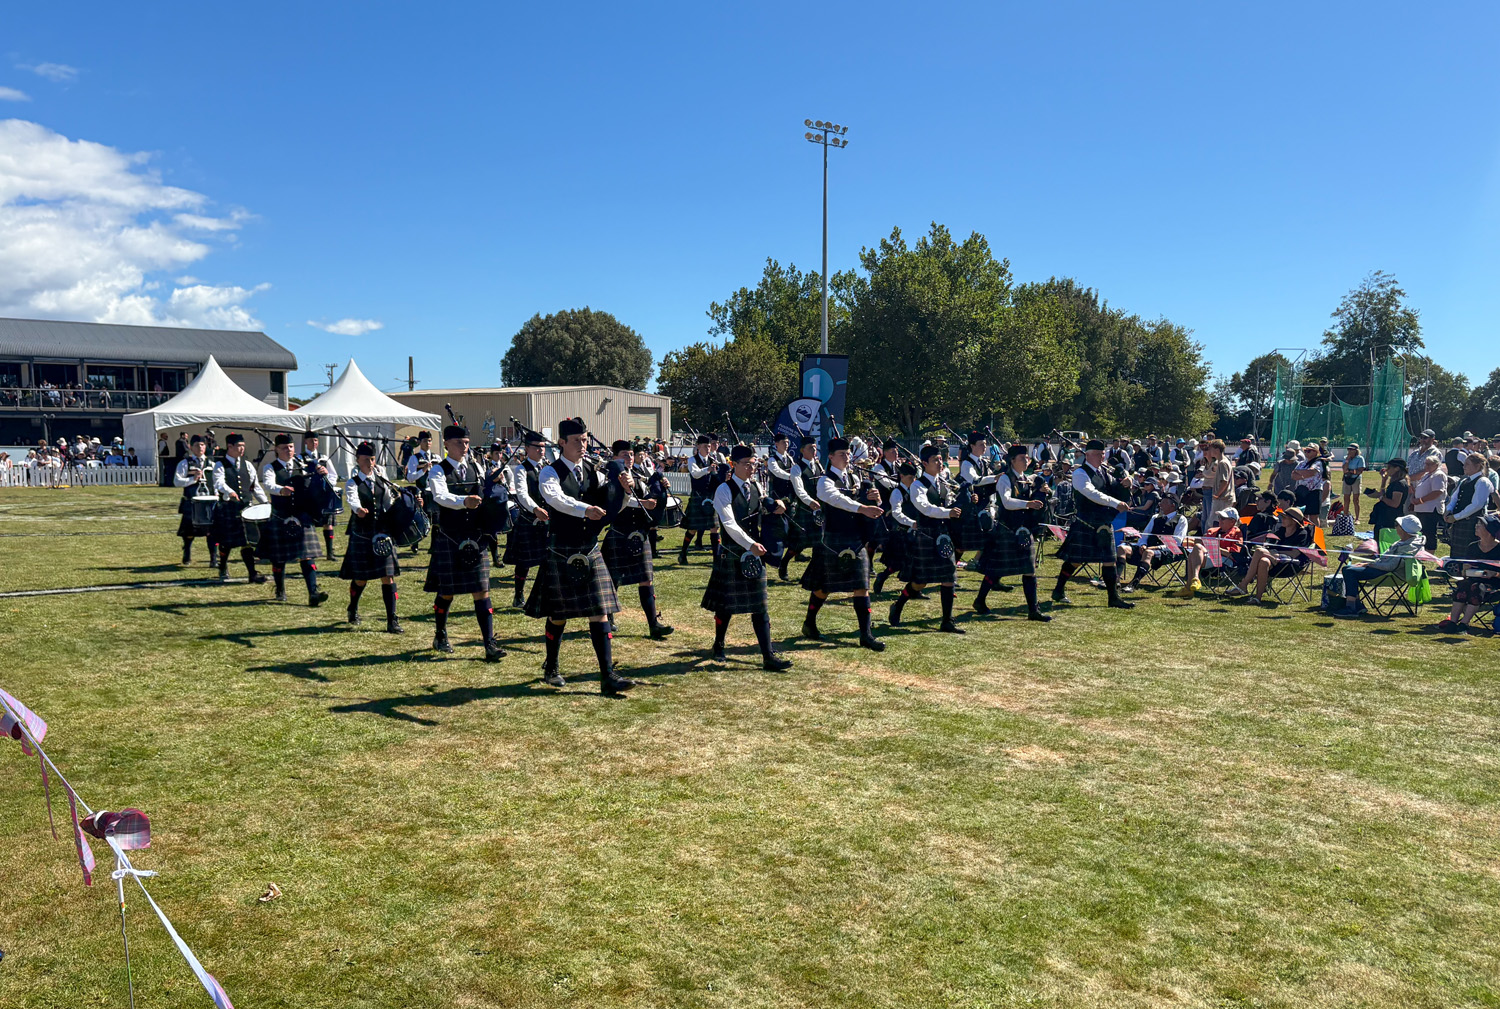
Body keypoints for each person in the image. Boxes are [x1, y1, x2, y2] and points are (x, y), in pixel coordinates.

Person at [526, 417, 636, 696]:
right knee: (559, 615)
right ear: (561, 443)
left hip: (590, 547)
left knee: (600, 613)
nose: (582, 445)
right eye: (576, 440)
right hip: (562, 549)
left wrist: (624, 491)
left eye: (585, 439)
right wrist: (584, 509)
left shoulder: (595, 471)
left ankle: (607, 675)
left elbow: (611, 506)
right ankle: (551, 666)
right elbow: (555, 499)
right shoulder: (550, 472)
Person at [701, 444, 793, 670]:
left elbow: (762, 510)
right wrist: (750, 544)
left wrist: (777, 506)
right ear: (734, 465)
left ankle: (768, 655)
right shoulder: (724, 489)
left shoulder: (757, 486)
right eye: (747, 464)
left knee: (760, 606)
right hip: (735, 552)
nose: (752, 468)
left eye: (754, 464)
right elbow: (729, 522)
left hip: (755, 553)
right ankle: (719, 645)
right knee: (726, 606)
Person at [424, 424, 505, 661]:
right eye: (459, 443)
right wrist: (463, 501)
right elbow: (440, 496)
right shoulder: (438, 470)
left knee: (482, 590)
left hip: (476, 538)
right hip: (451, 537)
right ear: (447, 444)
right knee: (446, 592)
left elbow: (484, 492)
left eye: (467, 442)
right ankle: (440, 634)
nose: (464, 447)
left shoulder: (477, 466)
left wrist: (492, 484)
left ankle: (489, 644)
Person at [799, 436, 886, 650]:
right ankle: (809, 623)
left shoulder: (855, 477)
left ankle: (866, 635)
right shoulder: (824, 480)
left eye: (848, 454)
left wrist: (875, 498)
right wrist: (862, 508)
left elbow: (869, 502)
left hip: (855, 539)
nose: (846, 458)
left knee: (862, 586)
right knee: (823, 588)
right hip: (833, 540)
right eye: (841, 454)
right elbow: (836, 499)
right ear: (830, 457)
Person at [888, 444, 965, 634]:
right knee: (920, 582)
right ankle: (898, 605)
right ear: (924, 463)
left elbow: (948, 502)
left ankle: (947, 621)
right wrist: (948, 512)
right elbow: (925, 508)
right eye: (935, 460)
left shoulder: (943, 482)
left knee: (948, 577)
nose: (940, 463)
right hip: (926, 535)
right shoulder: (917, 485)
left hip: (943, 534)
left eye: (940, 459)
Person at [601, 439, 673, 640]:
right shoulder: (609, 476)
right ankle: (608, 617)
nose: (630, 458)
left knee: (646, 580)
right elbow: (614, 498)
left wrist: (661, 487)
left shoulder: (640, 475)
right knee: (613, 579)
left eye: (631, 454)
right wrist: (643, 503)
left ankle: (653, 624)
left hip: (639, 534)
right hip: (620, 532)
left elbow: (652, 496)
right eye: (625, 454)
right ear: (615, 457)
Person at [1052, 439, 1135, 609]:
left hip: (1104, 522)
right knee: (1074, 561)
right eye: (1097, 454)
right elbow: (1091, 493)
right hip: (1086, 522)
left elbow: (1116, 490)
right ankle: (1058, 590)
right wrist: (1114, 502)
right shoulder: (1080, 473)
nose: (1101, 456)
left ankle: (1113, 598)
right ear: (1087, 455)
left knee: (1109, 560)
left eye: (1103, 453)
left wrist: (1126, 484)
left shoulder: (1105, 473)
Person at [972, 443, 1050, 619]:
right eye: (1022, 458)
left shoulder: (1028, 479)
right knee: (995, 570)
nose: (1026, 460)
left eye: (1027, 458)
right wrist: (1028, 504)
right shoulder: (1005, 479)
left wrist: (1043, 492)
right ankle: (980, 600)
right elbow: (1006, 502)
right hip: (1007, 529)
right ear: (1012, 460)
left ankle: (1033, 610)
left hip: (1023, 530)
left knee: (1030, 569)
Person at [258, 434, 330, 607]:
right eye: (284, 447)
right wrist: (281, 489)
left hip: (301, 515)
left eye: (290, 447)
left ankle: (313, 593)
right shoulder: (270, 467)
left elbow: (314, 480)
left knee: (307, 555)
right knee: (279, 557)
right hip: (281, 515)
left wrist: (321, 473)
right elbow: (267, 484)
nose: (288, 450)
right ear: (276, 449)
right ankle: (280, 589)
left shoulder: (302, 464)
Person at [339, 442, 403, 633]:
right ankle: (353, 607)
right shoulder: (353, 483)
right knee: (361, 579)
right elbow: (352, 498)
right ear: (358, 461)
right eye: (366, 459)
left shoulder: (381, 479)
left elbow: (388, 500)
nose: (370, 463)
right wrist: (358, 509)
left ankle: (392, 620)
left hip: (382, 533)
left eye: (373, 459)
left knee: (388, 576)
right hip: (363, 534)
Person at [1329, 514, 1425, 617]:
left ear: (1404, 530)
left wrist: (1369, 565)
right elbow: (1384, 559)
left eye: (1397, 525)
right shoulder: (1402, 542)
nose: (1396, 527)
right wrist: (1367, 564)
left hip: (1391, 574)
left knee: (1349, 571)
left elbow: (1390, 566)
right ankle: (1356, 605)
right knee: (1349, 568)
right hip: (1384, 569)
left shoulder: (1410, 547)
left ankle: (1351, 607)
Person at [210, 433, 268, 584]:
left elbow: (255, 487)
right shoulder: (220, 465)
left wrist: (265, 502)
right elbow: (218, 482)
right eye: (239, 446)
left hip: (246, 509)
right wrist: (229, 491)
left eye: (243, 446)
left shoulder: (248, 465)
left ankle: (252, 574)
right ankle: (222, 566)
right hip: (229, 508)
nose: (242, 449)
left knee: (247, 542)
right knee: (226, 542)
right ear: (230, 447)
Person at [503, 430, 551, 608]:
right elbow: (522, 494)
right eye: (537, 447)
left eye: (543, 447)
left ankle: (545, 595)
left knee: (548, 559)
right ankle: (518, 595)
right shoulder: (522, 469)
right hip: (529, 520)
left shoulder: (548, 467)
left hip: (548, 519)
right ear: (527, 448)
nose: (541, 451)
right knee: (524, 562)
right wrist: (535, 509)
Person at [1227, 507, 1316, 602]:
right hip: (1275, 561)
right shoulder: (1281, 531)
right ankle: (1257, 598)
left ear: (1294, 521)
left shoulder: (1302, 534)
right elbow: (1270, 545)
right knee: (1263, 561)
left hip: (1290, 564)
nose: (1282, 519)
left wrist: (1275, 553)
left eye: (1285, 517)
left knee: (1259, 551)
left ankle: (1243, 585)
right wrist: (1271, 553)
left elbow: (1294, 553)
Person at [1435, 515, 1500, 633]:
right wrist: (1465, 569)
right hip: (1472, 579)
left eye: (1480, 525)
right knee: (1463, 585)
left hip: (1493, 584)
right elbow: (1464, 572)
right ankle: (1453, 622)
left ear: (1489, 530)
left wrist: (1495, 574)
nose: (1476, 527)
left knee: (1476, 587)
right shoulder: (1473, 546)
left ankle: (1464, 623)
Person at [1122, 491, 1188, 592]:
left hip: (1168, 551)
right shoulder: (1155, 517)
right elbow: (1145, 534)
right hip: (1148, 548)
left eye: (1163, 502)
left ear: (1172, 505)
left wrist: (1155, 548)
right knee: (1122, 548)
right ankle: (1114, 580)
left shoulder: (1181, 520)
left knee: (1149, 552)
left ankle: (1133, 584)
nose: (1160, 504)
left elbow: (1177, 542)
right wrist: (1143, 544)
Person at [779, 436, 824, 581]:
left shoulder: (818, 465)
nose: (814, 450)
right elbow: (799, 489)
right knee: (798, 545)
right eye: (810, 448)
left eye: (815, 447)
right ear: (802, 450)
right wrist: (809, 501)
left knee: (819, 543)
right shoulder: (797, 468)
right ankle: (784, 564)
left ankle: (811, 575)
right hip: (805, 511)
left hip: (819, 511)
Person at [873, 462, 919, 596]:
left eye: (914, 477)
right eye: (910, 478)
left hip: (915, 531)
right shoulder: (897, 492)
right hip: (901, 532)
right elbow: (896, 513)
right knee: (898, 563)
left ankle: (916, 589)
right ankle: (882, 576)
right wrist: (911, 523)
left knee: (916, 561)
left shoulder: (916, 491)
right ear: (902, 476)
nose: (913, 480)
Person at [1177, 508, 1244, 598]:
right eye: (1219, 517)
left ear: (1232, 521)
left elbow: (1234, 553)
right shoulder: (1212, 530)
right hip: (1207, 555)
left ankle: (1189, 586)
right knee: (1196, 548)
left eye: (1223, 518)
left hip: (1224, 560)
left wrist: (1214, 548)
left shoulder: (1237, 534)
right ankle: (1194, 580)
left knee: (1193, 555)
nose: (1219, 520)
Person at [173, 434, 217, 567]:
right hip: (191, 502)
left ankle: (213, 559)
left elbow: (216, 483)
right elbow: (177, 481)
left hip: (208, 503)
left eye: (202, 445)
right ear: (191, 447)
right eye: (197, 445)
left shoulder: (212, 464)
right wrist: (193, 479)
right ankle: (187, 553)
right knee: (189, 532)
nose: (200, 448)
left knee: (212, 532)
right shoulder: (185, 463)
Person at [1443, 450, 1496, 560]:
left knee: (1468, 550)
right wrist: (1448, 510)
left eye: (1467, 464)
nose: (1464, 466)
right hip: (1459, 520)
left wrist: (1456, 517)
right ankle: (1455, 571)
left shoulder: (1483, 481)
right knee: (1456, 549)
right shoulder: (1464, 481)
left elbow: (1476, 505)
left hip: (1472, 521)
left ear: (1478, 466)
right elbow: (1454, 499)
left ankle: (1467, 572)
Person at [679, 433, 723, 563]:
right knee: (692, 529)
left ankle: (716, 557)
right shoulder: (692, 460)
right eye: (705, 446)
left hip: (711, 497)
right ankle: (683, 553)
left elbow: (715, 479)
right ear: (698, 446)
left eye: (709, 446)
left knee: (715, 527)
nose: (708, 449)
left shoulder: (713, 461)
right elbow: (696, 474)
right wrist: (708, 469)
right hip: (698, 497)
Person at [953, 431, 997, 561]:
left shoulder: (983, 462)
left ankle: (977, 560)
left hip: (983, 504)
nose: (984, 447)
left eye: (985, 444)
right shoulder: (967, 463)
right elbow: (975, 480)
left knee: (989, 534)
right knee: (963, 544)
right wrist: (995, 477)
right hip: (969, 506)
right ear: (972, 446)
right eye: (981, 444)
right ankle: (952, 563)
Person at [300, 433, 340, 561]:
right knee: (306, 524)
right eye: (311, 440)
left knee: (328, 523)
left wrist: (327, 478)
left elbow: (334, 475)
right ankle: (306, 552)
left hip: (324, 495)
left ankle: (330, 552)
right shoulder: (300, 458)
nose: (314, 443)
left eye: (316, 440)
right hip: (308, 495)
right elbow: (300, 475)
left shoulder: (324, 458)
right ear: (306, 441)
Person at [405, 429, 438, 556]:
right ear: (419, 442)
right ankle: (415, 542)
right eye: (425, 441)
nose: (428, 443)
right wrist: (422, 471)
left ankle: (434, 546)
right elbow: (410, 477)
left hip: (434, 491)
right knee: (420, 518)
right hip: (422, 491)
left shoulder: (437, 457)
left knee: (436, 519)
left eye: (429, 441)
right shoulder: (414, 458)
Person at [1410, 453, 1447, 551]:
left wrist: (1421, 500)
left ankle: (1430, 551)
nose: (1426, 466)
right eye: (1426, 464)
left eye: (1429, 464)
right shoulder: (1427, 475)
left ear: (1436, 464)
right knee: (1423, 531)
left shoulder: (1438, 475)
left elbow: (1437, 491)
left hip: (1431, 509)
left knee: (1429, 532)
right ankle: (1424, 550)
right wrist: (1414, 495)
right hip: (1422, 508)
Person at [1368, 459, 1409, 538]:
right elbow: (1384, 496)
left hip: (1391, 518)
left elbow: (1395, 503)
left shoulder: (1399, 484)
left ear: (1397, 468)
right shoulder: (1395, 482)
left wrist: (1379, 496)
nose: (1387, 470)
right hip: (1385, 516)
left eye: (1389, 467)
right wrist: (1384, 480)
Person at [1341, 444, 1367, 521]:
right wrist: (1347, 461)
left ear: (1356, 450)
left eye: (1351, 449)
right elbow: (1344, 469)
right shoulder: (1345, 458)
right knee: (1346, 499)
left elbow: (1360, 471)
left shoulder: (1360, 458)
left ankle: (1357, 518)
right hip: (1346, 479)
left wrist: (1350, 471)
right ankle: (1345, 516)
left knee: (1356, 500)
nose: (1349, 451)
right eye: (1348, 449)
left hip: (1356, 480)